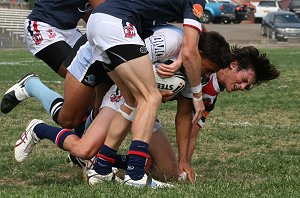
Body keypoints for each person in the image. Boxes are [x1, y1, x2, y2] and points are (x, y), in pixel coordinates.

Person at [11, 25, 232, 187]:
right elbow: (122, 60)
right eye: (208, 69)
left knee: (167, 172)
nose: (207, 75)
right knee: (81, 144)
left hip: (143, 101)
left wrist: (184, 161)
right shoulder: (170, 41)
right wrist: (148, 90)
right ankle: (38, 129)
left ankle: (108, 161)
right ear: (198, 54)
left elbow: (184, 115)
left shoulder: (194, 74)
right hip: (115, 80)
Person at [83, 0, 220, 187]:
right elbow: (190, 51)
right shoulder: (194, 4)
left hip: (99, 22)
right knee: (150, 97)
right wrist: (197, 96)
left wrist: (177, 62)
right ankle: (136, 174)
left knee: (132, 101)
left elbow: (190, 42)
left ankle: (101, 170)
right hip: (116, 23)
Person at [175, 46, 281, 181]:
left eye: (247, 87)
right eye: (244, 80)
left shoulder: (210, 96)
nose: (243, 87)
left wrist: (184, 166)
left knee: (166, 170)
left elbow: (192, 133)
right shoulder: (210, 58)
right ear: (233, 65)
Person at [23, 0, 103, 78]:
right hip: (44, 24)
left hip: (70, 29)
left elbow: (89, 13)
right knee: (79, 76)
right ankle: (30, 85)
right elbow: (103, 13)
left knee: (102, 71)